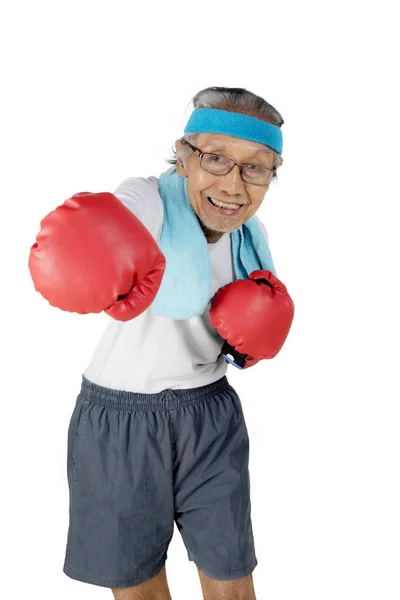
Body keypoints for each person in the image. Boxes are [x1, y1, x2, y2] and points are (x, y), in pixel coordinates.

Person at [29, 86, 295, 600]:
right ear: (184, 155)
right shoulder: (149, 199)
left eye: (256, 168)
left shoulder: (250, 238)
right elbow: (120, 212)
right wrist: (90, 239)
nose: (235, 186)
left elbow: (246, 339)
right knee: (140, 589)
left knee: (233, 579)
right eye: (216, 159)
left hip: (210, 416)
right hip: (120, 421)